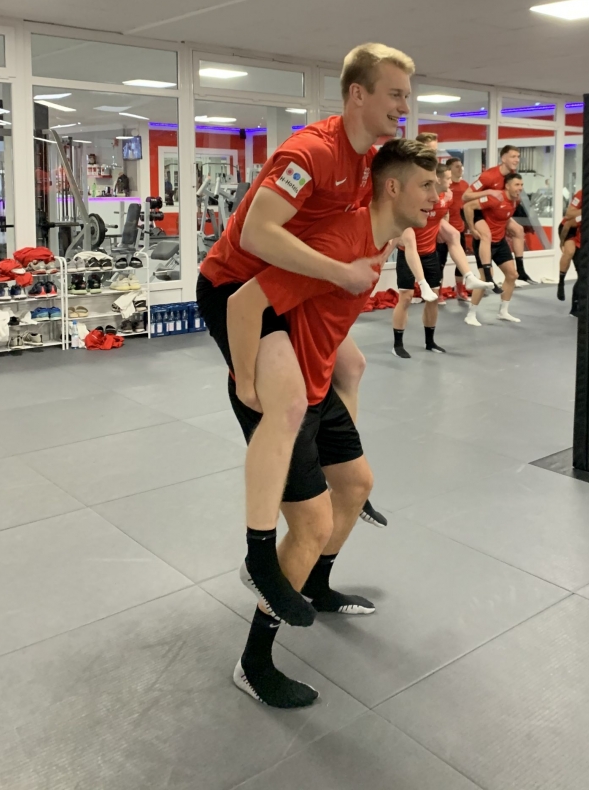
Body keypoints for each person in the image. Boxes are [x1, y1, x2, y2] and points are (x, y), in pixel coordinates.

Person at [196, 43, 414, 628]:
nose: (404, 105)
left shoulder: (369, 162)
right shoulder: (311, 152)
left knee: (352, 366)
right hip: (237, 286)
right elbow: (258, 234)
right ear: (357, 94)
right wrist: (339, 272)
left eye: (407, 95)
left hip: (288, 287)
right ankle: (260, 555)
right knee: (289, 403)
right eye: (395, 93)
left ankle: (340, 474)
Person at [225, 139, 440, 709]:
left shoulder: (383, 237)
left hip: (320, 386)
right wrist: (245, 384)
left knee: (356, 485)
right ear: (391, 187)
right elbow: (243, 304)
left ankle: (315, 585)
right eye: (426, 186)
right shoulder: (341, 242)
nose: (437, 197)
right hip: (284, 396)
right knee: (312, 525)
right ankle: (254, 662)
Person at [393, 163, 492, 357]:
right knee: (405, 297)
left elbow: (442, 214)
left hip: (429, 252)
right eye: (447, 178)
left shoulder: (447, 197)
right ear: (436, 180)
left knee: (454, 236)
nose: (451, 181)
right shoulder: (418, 199)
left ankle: (468, 276)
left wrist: (441, 228)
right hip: (409, 250)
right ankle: (398, 344)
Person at [462, 145, 536, 287]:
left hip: (493, 209)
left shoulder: (511, 175)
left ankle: (521, 270)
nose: (517, 160)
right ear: (503, 158)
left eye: (518, 157)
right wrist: (489, 192)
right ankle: (488, 274)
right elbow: (466, 196)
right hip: (476, 209)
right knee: (487, 235)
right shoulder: (489, 176)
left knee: (519, 230)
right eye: (513, 156)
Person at [465, 172, 526, 326]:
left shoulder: (516, 201)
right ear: (507, 186)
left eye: (521, 185)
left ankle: (503, 312)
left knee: (512, 275)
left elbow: (503, 217)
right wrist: (472, 228)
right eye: (517, 185)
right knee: (485, 279)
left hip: (500, 241)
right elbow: (468, 206)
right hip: (484, 242)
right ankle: (471, 314)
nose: (520, 188)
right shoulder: (495, 198)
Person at [442, 156, 471, 300]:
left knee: (461, 260)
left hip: (459, 229)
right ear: (449, 169)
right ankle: (437, 292)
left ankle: (460, 290)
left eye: (461, 166)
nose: (460, 169)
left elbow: (468, 206)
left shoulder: (465, 185)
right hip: (444, 229)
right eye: (457, 166)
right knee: (440, 262)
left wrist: (469, 224)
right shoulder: (445, 186)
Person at [556, 188, 581, 302]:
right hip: (568, 228)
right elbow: (568, 219)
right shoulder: (581, 195)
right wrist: (562, 242)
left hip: (579, 230)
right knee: (569, 251)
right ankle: (561, 282)